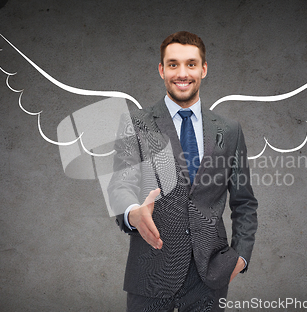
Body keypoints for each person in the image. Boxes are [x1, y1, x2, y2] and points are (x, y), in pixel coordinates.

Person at [108, 31, 258, 312]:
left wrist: (241, 256)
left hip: (209, 277)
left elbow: (244, 202)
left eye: (191, 64)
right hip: (151, 275)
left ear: (203, 69)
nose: (182, 73)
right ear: (162, 70)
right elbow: (120, 186)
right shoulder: (135, 123)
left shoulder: (229, 130)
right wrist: (134, 213)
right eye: (173, 64)